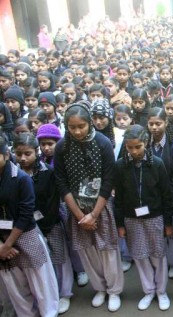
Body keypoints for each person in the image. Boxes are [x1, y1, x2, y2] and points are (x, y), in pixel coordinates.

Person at [54, 103, 124, 312]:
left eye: (81, 126)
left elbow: (109, 179)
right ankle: (99, 288)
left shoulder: (102, 143)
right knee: (87, 252)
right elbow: (61, 181)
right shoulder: (62, 147)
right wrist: (78, 215)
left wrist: (93, 214)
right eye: (72, 127)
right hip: (76, 209)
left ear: (90, 122)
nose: (77, 131)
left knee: (107, 250)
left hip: (100, 207)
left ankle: (114, 290)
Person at [113, 124, 173, 311]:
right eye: (130, 147)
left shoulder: (157, 163)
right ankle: (149, 291)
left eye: (138, 147)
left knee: (158, 254)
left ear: (146, 143)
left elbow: (166, 194)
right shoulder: (120, 165)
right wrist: (120, 223)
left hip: (155, 217)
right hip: (132, 219)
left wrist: (169, 222)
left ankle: (161, 291)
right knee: (140, 255)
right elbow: (119, 197)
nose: (134, 151)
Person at [0, 135, 59, 317]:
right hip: (1, 242)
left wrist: (8, 245)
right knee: (15, 285)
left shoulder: (21, 179)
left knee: (41, 282)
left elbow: (26, 214)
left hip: (25, 235)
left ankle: (49, 313)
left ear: (6, 154)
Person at [147, 107, 173, 278]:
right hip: (151, 195)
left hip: (171, 194)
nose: (154, 127)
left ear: (166, 123)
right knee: (157, 231)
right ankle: (159, 261)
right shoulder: (145, 143)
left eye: (158, 123)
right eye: (151, 124)